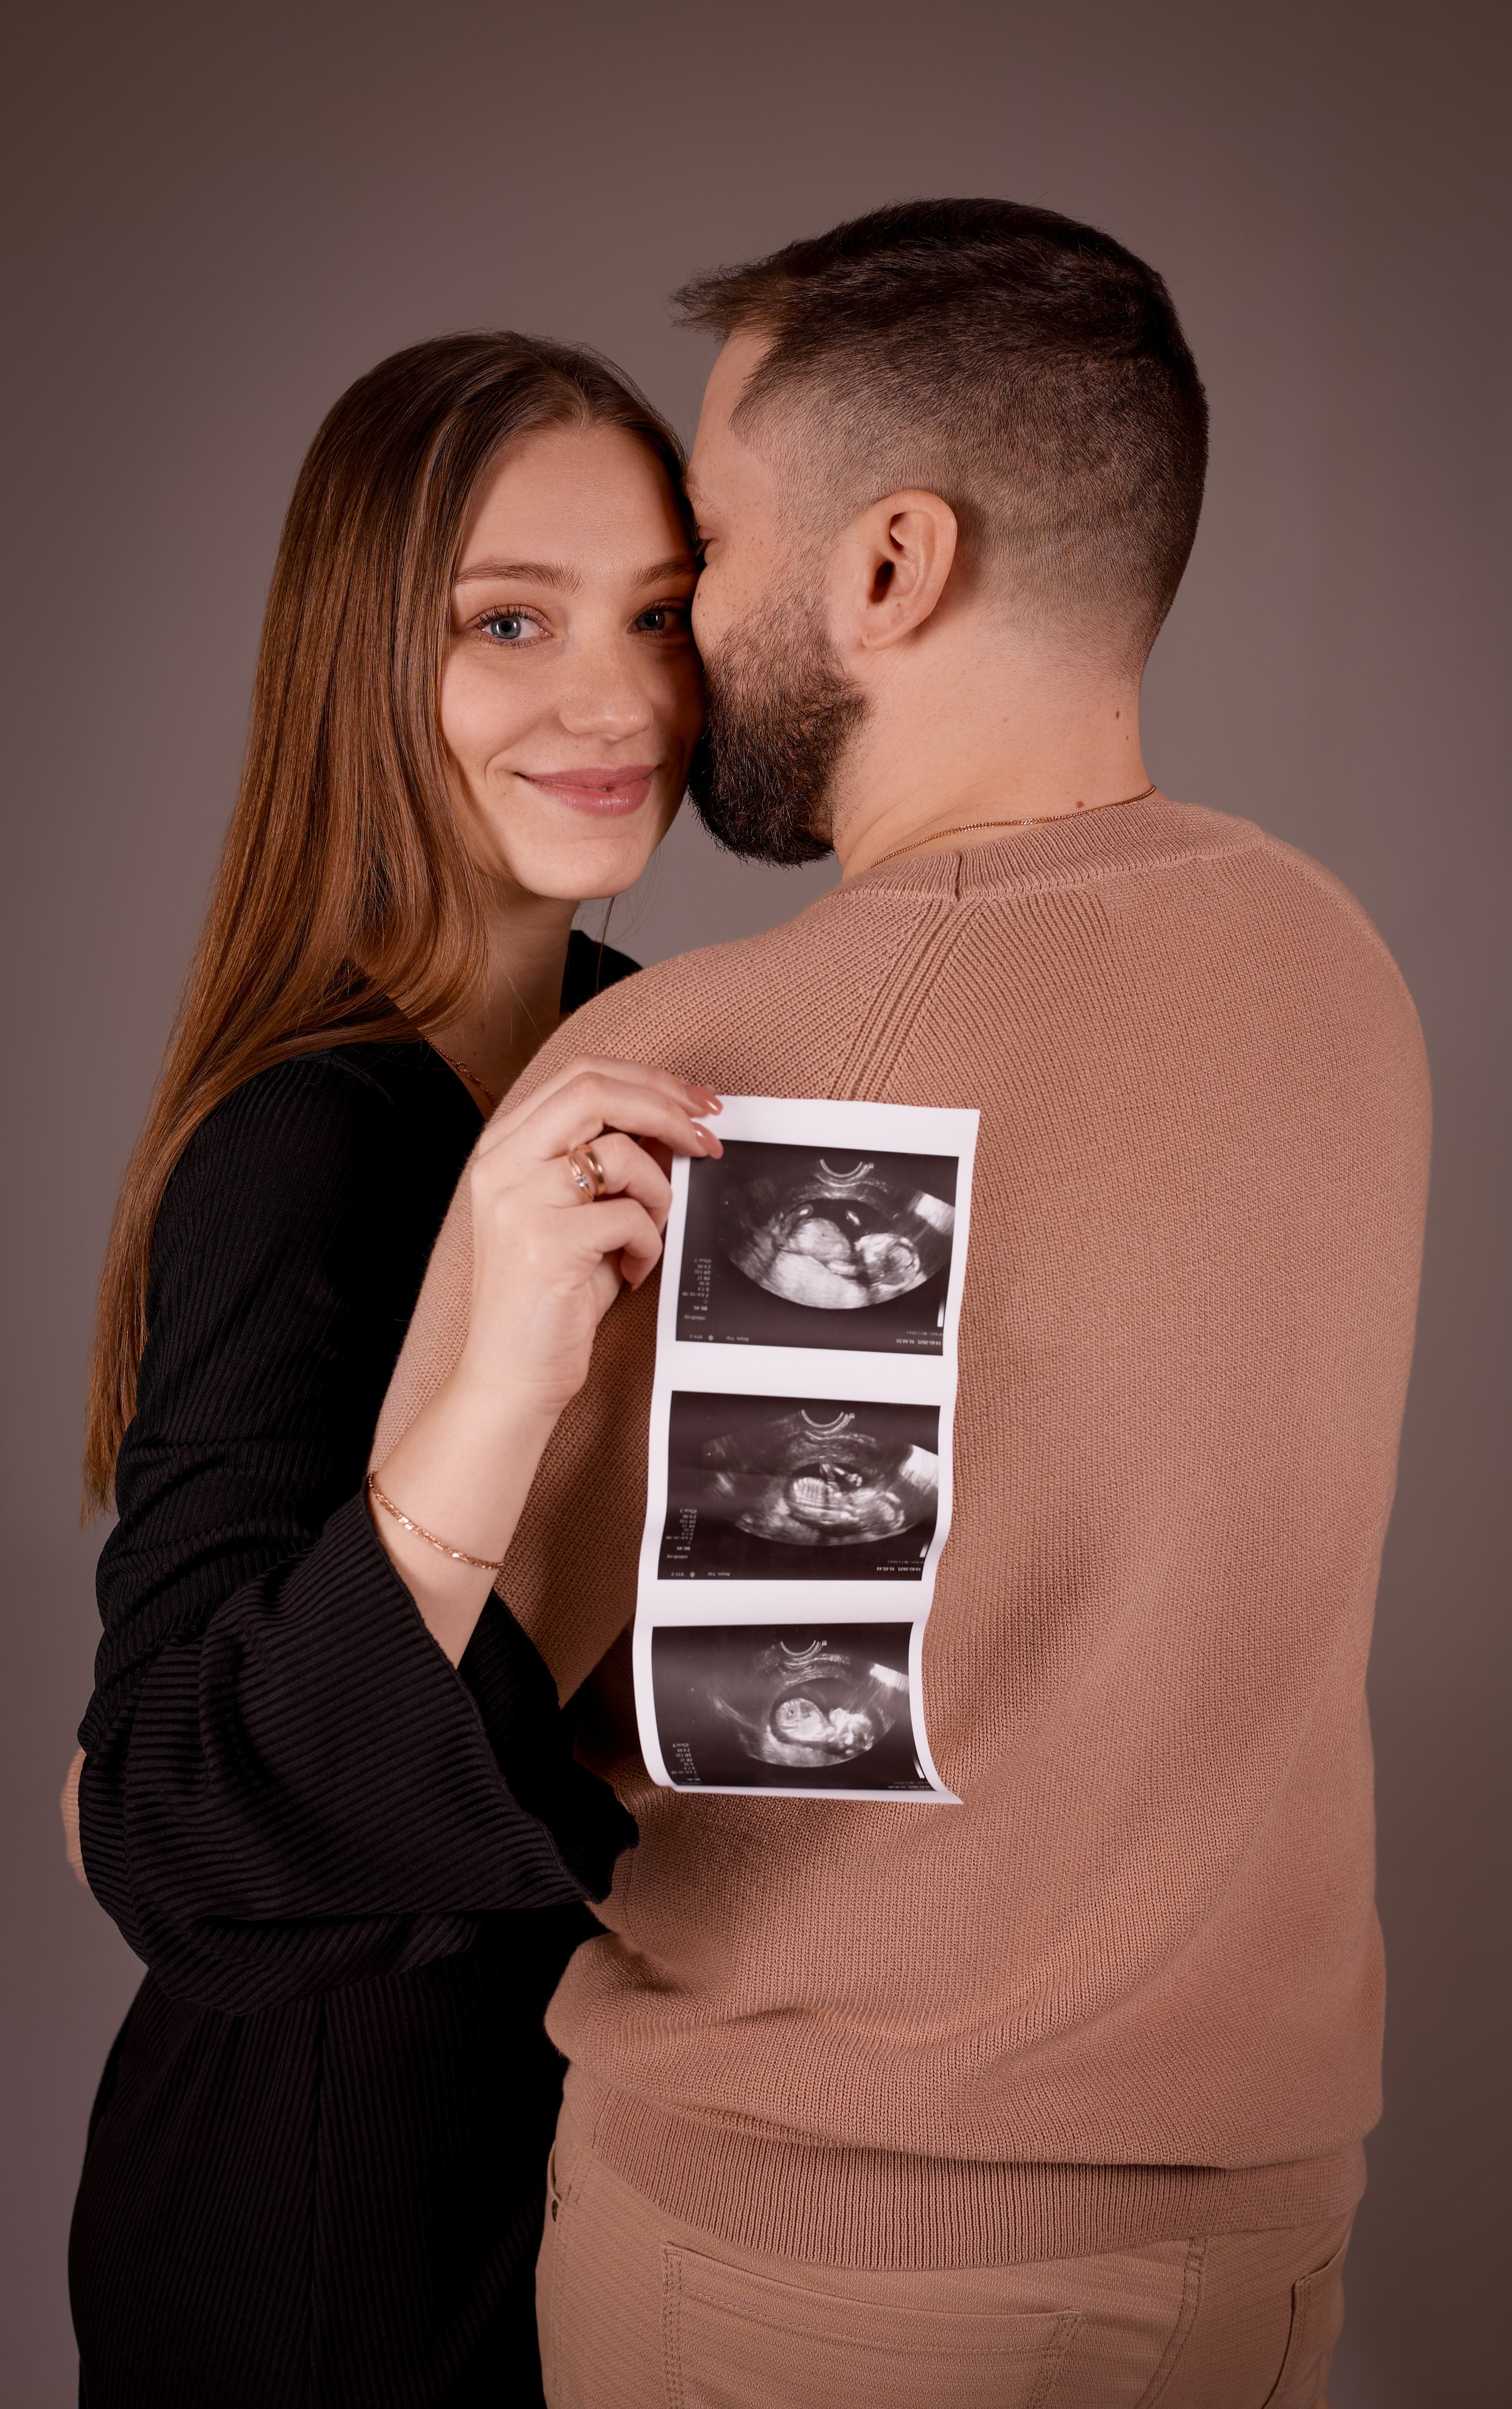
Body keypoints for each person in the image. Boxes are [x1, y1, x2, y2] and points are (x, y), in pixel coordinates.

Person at [378, 201, 1432, 2406]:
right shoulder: (1336, 967)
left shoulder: (719, 1064)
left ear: (889, 569)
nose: (681, 642)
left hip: (812, 2260)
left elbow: (427, 1699)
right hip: (1262, 2255)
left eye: (714, 553)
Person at [68, 329, 722, 2407]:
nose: (614, 701)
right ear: (365, 658)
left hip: (575, 2139)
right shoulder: (307, 1141)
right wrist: (495, 1383)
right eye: (508, 621)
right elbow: (161, 1832)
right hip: (327, 2206)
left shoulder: (645, 1042)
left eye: (660, 617)